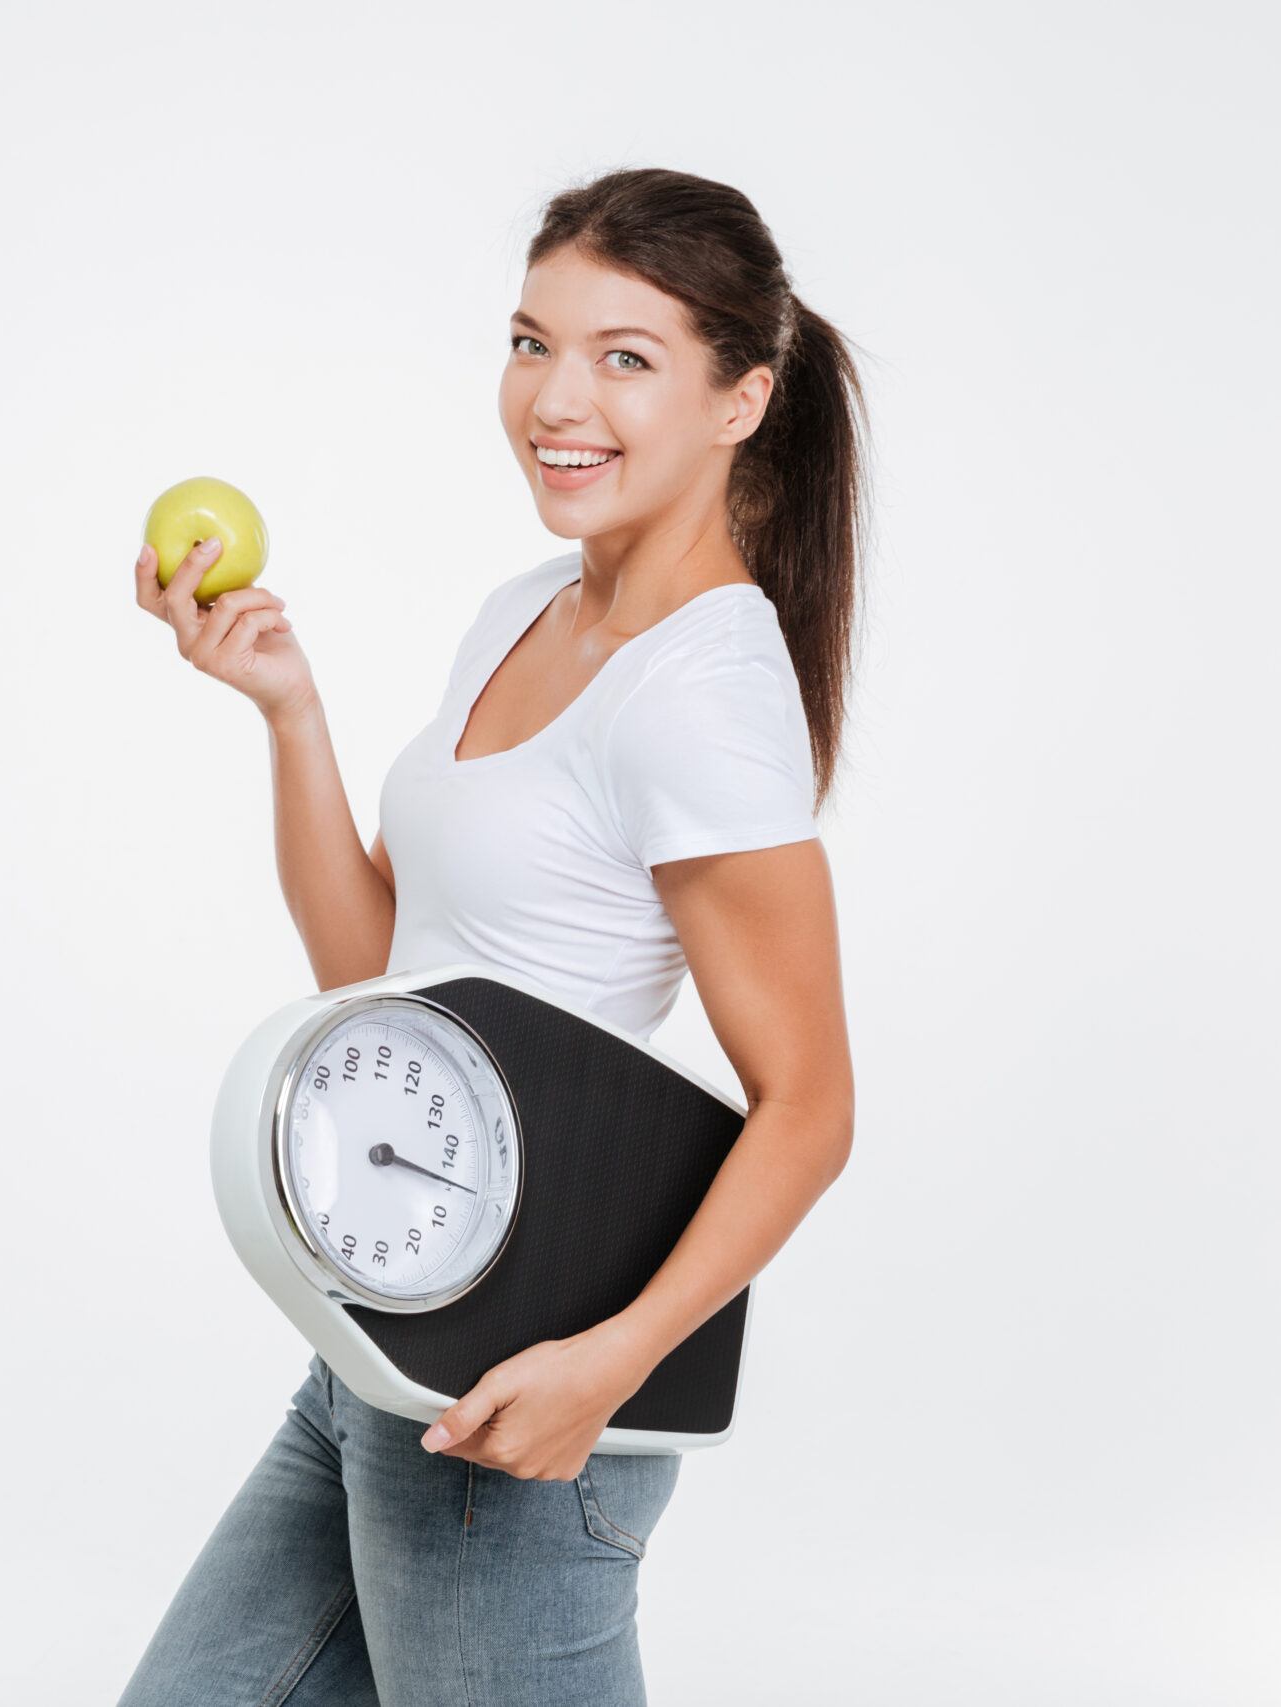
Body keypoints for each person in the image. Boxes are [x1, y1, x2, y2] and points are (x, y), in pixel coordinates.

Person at [120, 167, 865, 1707]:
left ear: (743, 399)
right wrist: (290, 711)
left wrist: (609, 1368)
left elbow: (810, 1106)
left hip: (525, 1390)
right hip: (385, 1345)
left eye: (626, 356)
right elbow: (380, 979)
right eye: (532, 342)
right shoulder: (535, 606)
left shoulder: (704, 695)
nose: (555, 398)